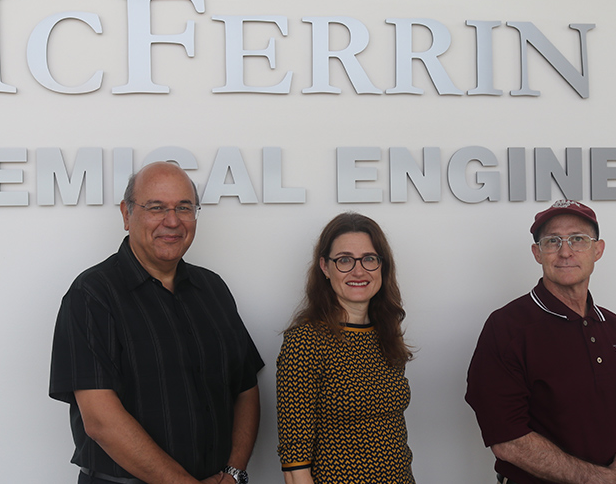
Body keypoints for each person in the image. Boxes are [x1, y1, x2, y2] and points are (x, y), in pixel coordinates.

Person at [49, 161, 264, 484]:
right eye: (156, 207)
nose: (173, 221)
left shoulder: (213, 289)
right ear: (126, 214)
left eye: (184, 207)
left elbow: (246, 387)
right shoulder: (92, 295)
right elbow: (100, 420)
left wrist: (234, 473)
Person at [466, 200, 616, 484]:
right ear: (537, 253)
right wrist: (596, 480)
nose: (565, 251)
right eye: (552, 241)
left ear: (598, 249)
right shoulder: (506, 328)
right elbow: (507, 438)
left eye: (578, 239)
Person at [276, 212, 415, 484]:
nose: (358, 271)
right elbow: (295, 464)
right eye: (344, 260)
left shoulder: (387, 334)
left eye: (369, 259)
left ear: (382, 267)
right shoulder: (305, 342)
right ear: (325, 268)